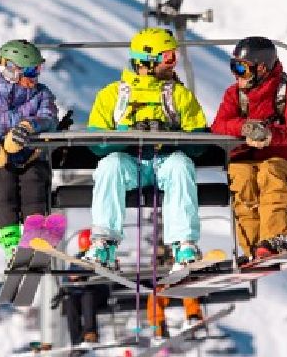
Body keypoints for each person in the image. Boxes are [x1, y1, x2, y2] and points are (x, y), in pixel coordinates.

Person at [82, 27, 208, 268]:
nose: (173, 64)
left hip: (164, 162)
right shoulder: (112, 96)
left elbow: (199, 142)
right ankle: (104, 243)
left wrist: (173, 137)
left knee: (181, 164)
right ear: (147, 61)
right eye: (168, 57)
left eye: (175, 57)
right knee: (110, 164)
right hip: (131, 164)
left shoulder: (179, 96)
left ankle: (184, 244)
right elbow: (96, 145)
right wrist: (123, 136)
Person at [211, 36, 287, 260]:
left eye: (242, 68)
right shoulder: (234, 95)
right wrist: (244, 127)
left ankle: (275, 238)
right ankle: (253, 248)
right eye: (233, 67)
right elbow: (219, 125)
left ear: (262, 69)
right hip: (244, 158)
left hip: (280, 158)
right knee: (242, 181)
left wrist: (273, 136)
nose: (236, 74)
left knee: (270, 176)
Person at [0, 39, 60, 261]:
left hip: (30, 160)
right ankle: (11, 241)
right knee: (4, 178)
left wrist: (29, 126)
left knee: (33, 176)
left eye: (38, 70)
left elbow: (49, 118)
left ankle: (36, 234)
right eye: (31, 71)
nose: (35, 77)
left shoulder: (41, 94)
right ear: (11, 70)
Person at [61, 228, 110, 346]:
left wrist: (82, 274)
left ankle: (90, 334)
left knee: (88, 297)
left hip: (97, 292)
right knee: (70, 303)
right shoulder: (77, 259)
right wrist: (70, 279)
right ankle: (77, 342)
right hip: (79, 293)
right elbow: (66, 277)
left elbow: (98, 270)